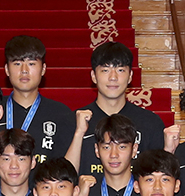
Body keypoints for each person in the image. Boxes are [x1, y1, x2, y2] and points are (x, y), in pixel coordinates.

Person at [68, 41, 169, 176]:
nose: (113, 77)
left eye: (120, 70)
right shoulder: (74, 122)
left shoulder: (150, 122)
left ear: (130, 76)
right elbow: (64, 177)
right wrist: (79, 133)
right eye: (105, 70)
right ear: (93, 76)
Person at [0, 35, 78, 168]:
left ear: (43, 69)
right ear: (6, 69)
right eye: (17, 63)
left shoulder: (61, 114)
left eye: (31, 64)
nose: (24, 70)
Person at [73, 113, 143, 196]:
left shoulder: (146, 191)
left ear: (134, 150)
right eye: (106, 147)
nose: (113, 155)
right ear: (96, 150)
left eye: (122, 147)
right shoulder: (87, 192)